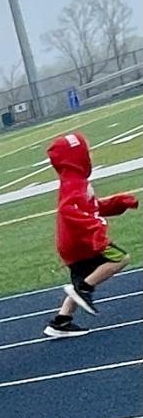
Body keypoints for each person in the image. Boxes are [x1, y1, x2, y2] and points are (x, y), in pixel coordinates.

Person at [43, 131, 135, 339]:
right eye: (86, 153)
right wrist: (96, 230)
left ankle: (60, 322)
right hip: (80, 241)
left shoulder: (76, 183)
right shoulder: (75, 185)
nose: (90, 157)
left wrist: (117, 203)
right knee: (120, 258)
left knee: (82, 279)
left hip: (73, 242)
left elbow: (91, 208)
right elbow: (70, 211)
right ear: (76, 158)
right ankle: (84, 289)